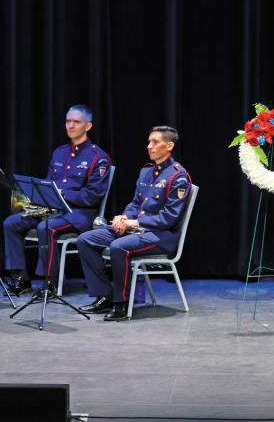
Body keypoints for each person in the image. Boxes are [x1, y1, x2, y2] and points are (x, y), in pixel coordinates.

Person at [77, 126, 192, 321]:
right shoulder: (146, 172)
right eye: (149, 141)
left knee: (118, 246)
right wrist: (123, 217)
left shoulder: (178, 177)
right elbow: (136, 203)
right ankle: (103, 296)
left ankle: (120, 303)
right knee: (85, 240)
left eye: (155, 142)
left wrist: (133, 222)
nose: (149, 146)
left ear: (169, 145)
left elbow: (168, 218)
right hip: (137, 230)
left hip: (162, 236)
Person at [3, 104, 111, 295]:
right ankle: (21, 278)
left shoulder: (98, 157)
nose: (70, 125)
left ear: (88, 126)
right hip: (53, 209)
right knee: (11, 223)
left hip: (79, 214)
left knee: (46, 227)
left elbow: (92, 197)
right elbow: (48, 184)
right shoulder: (59, 152)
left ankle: (50, 282)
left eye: (76, 122)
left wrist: (62, 194)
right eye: (68, 121)